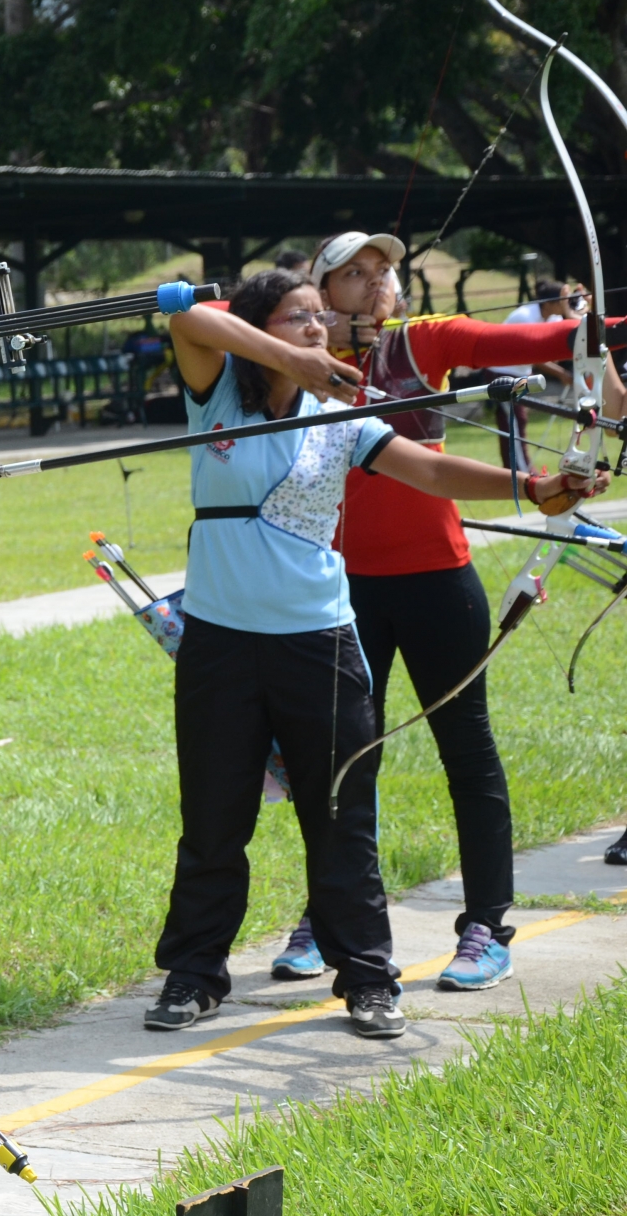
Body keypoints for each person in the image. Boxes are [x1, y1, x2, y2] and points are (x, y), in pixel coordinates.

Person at [150, 268, 606, 1041]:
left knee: (342, 819)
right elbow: (190, 318)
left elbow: (428, 468)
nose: (316, 330)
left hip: (317, 644)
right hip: (222, 645)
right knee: (214, 821)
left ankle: (365, 977)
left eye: (319, 320)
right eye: (298, 318)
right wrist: (282, 357)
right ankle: (194, 975)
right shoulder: (217, 393)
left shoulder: (339, 416)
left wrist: (535, 487)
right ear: (261, 328)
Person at [255, 238, 624, 992]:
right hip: (340, 587)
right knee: (342, 759)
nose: (374, 284)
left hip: (436, 580)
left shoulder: (425, 341)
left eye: (383, 271)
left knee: (467, 750)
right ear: (317, 292)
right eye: (352, 274)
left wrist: (586, 327)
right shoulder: (289, 362)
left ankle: (486, 925)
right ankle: (331, 917)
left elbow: (545, 341)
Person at [487, 278, 585, 472]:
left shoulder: (553, 317)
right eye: (562, 300)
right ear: (549, 303)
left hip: (521, 374)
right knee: (515, 419)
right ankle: (522, 472)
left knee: (515, 419)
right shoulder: (525, 317)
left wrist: (574, 311)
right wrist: (561, 374)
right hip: (502, 374)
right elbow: (534, 355)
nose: (565, 303)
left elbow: (558, 346)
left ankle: (514, 470)